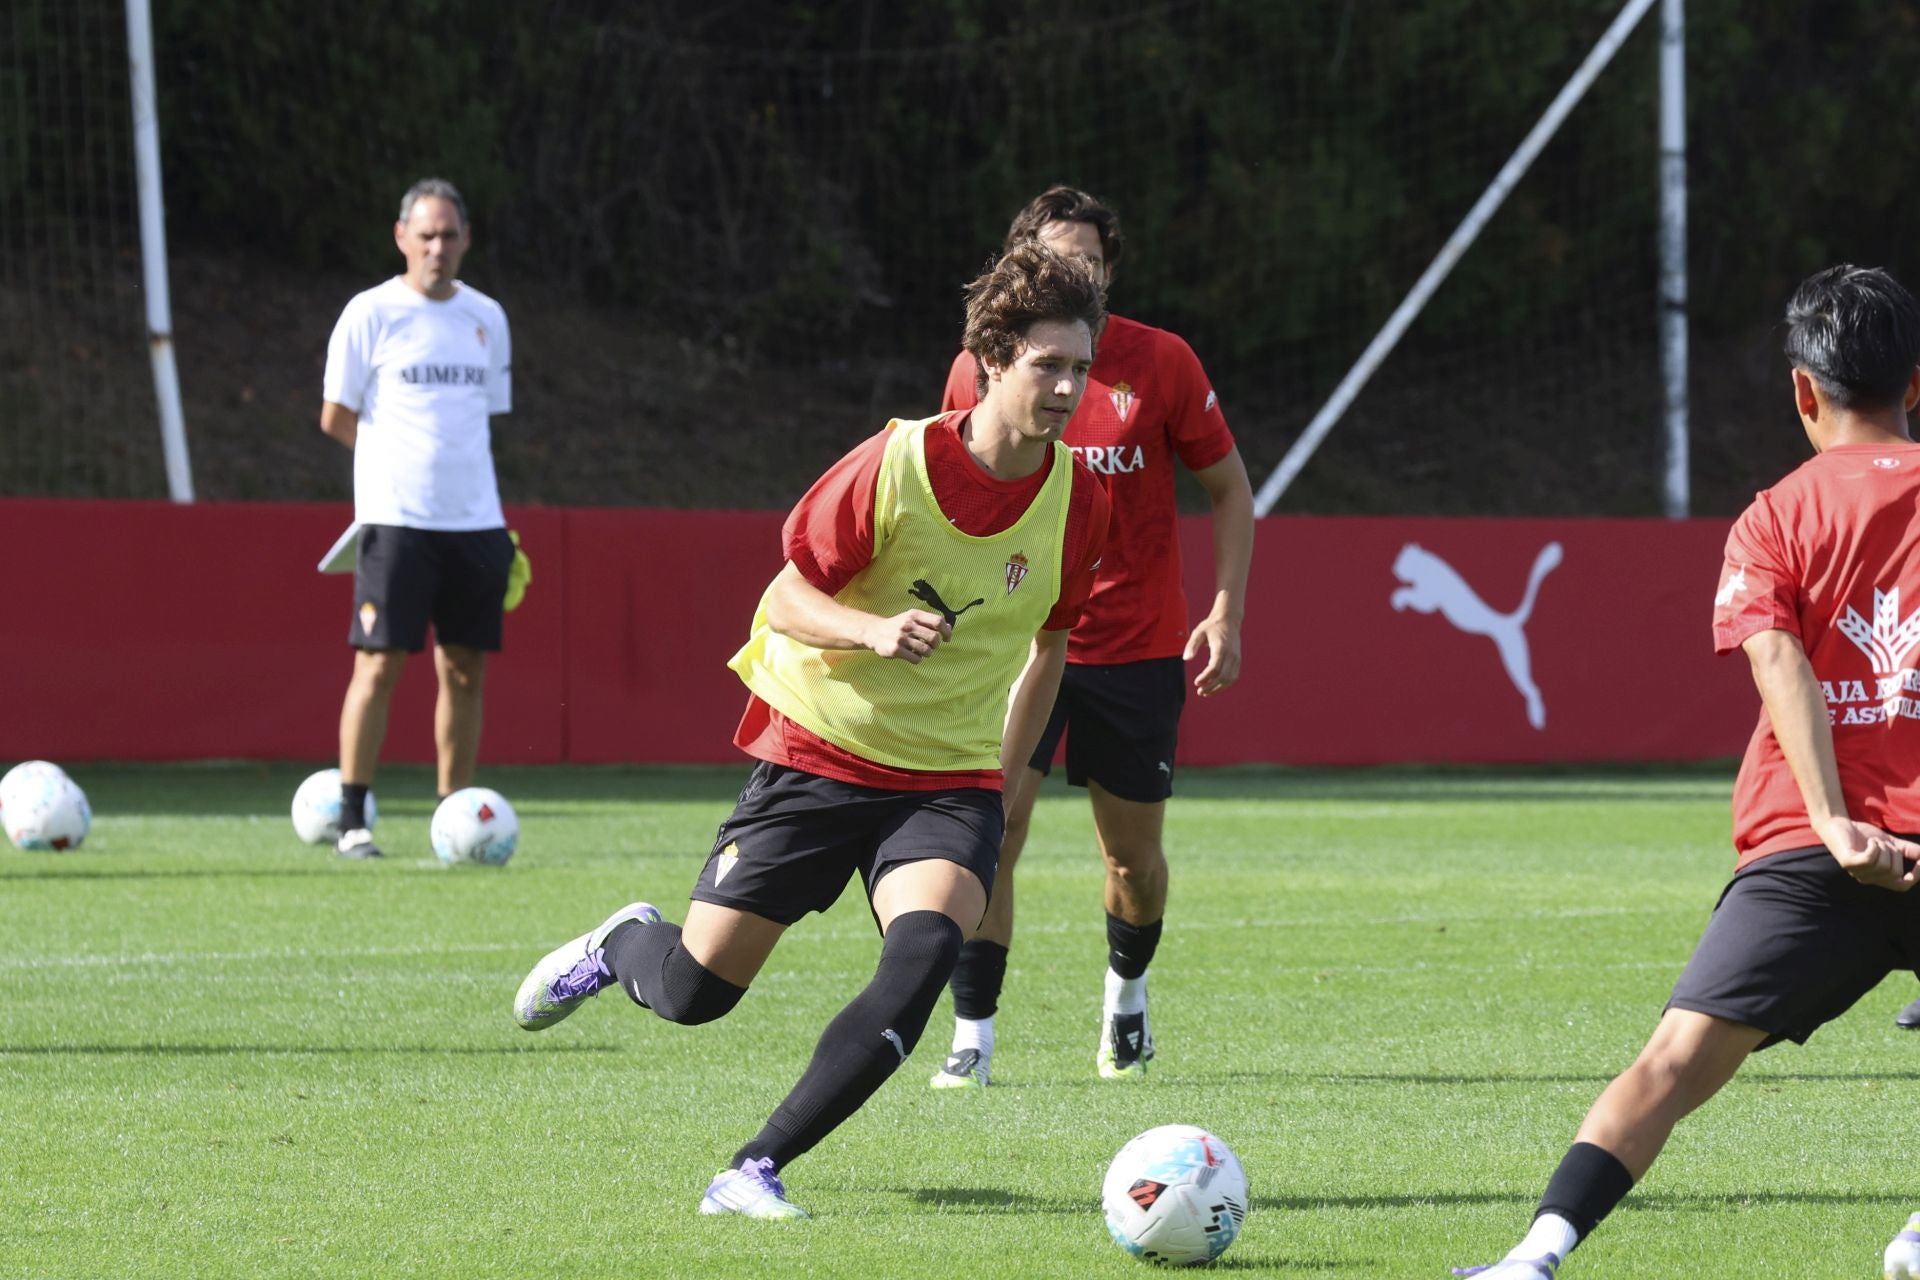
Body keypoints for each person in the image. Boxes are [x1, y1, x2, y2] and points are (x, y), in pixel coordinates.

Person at [511, 242, 1112, 1219]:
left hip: (948, 779)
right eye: (1050, 365)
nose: (1068, 389)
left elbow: (1050, 648)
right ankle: (622, 942)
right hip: (821, 754)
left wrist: (1001, 792)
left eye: (1081, 368)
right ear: (993, 358)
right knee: (695, 993)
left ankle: (753, 1167)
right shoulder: (896, 463)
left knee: (925, 950)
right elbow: (784, 597)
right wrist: (872, 630)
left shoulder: (1081, 498)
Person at [1452, 264, 1920, 1279]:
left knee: (1670, 1062)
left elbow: (1779, 661)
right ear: (1915, 384)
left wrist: (1834, 822)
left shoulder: (1773, 516)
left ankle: (1534, 1255)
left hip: (1807, 847)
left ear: (1803, 390)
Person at [929, 185, 1254, 1087]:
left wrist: (1225, 610)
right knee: (992, 832)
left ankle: (1127, 1001)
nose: (1078, 272)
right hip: (1021, 643)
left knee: (1131, 861)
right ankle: (973, 1036)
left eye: (1092, 261)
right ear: (1020, 263)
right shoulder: (982, 363)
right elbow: (956, 490)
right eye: (1059, 256)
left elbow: (1230, 489)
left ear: (1111, 273)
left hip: (1136, 649)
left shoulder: (1164, 362)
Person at [319, 177, 515, 860]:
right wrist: (391, 468)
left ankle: (452, 819)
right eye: (425, 235)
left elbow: (480, 419)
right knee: (378, 665)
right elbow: (335, 416)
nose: (437, 247)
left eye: (449, 235)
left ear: (466, 240)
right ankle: (352, 818)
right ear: (401, 237)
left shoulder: (486, 317)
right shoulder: (370, 312)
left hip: (477, 524)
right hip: (396, 520)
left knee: (464, 670)